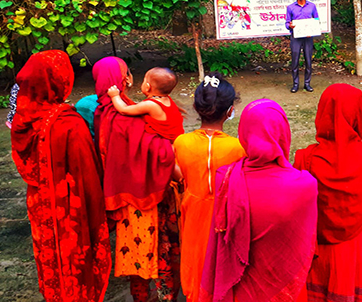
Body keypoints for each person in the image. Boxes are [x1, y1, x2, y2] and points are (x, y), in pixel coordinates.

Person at [11, 50, 111, 301]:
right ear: (59, 80)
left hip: (39, 201)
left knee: (48, 250)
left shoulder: (24, 118)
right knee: (74, 256)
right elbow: (88, 176)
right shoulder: (69, 124)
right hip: (69, 205)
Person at [200, 99, 318, 302]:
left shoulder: (226, 177)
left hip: (239, 289)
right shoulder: (305, 185)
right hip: (286, 289)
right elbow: (306, 241)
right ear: (283, 133)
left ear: (244, 134)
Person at [93, 57, 179, 302]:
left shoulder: (105, 110)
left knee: (134, 250)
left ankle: (140, 295)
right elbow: (156, 152)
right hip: (143, 192)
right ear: (125, 79)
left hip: (124, 190)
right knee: (155, 246)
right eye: (128, 73)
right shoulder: (124, 116)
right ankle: (164, 294)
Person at [294, 84, 362, 302]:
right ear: (358, 114)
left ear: (322, 113)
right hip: (359, 244)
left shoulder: (305, 159)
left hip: (319, 246)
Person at [173, 73, 246, 302]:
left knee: (195, 262)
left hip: (193, 212)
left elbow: (177, 175)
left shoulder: (181, 143)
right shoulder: (238, 148)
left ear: (196, 106)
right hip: (225, 217)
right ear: (230, 110)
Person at [108, 67, 184, 141]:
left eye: (144, 80)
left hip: (163, 144)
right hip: (177, 139)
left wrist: (115, 96)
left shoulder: (150, 104)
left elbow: (124, 110)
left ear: (147, 87)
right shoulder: (167, 99)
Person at [285, 0, 320, 93]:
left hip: (308, 37)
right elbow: (287, 23)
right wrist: (290, 26)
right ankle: (295, 84)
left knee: (308, 61)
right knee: (295, 61)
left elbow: (316, 19)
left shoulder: (312, 6)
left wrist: (313, 30)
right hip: (296, 37)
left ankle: (307, 84)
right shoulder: (290, 7)